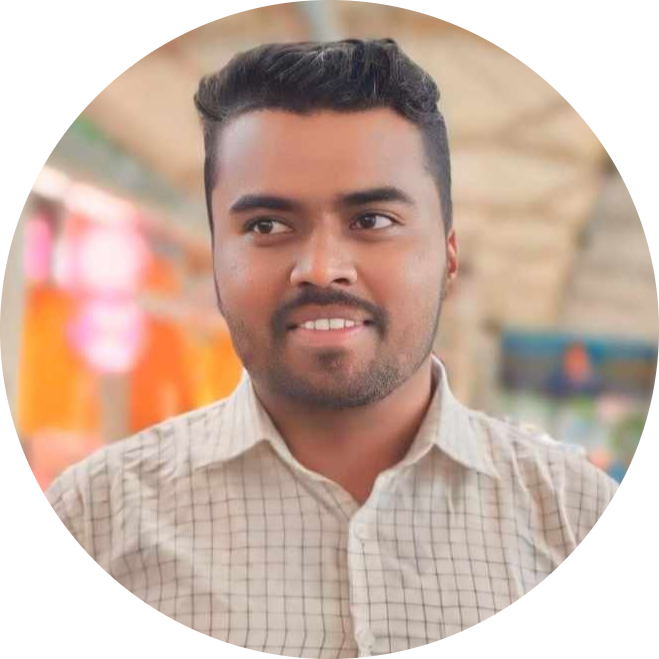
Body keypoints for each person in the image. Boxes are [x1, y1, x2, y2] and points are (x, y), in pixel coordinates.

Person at [45, 39, 619, 654]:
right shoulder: (94, 522)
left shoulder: (575, 518)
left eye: (372, 220)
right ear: (215, 259)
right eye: (266, 225)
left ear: (449, 257)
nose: (321, 269)